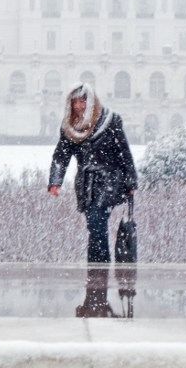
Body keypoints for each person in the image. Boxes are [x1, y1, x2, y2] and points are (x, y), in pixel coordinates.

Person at [48, 81, 137, 264]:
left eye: (83, 102)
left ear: (92, 102)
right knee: (94, 225)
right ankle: (98, 268)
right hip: (86, 184)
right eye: (75, 102)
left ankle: (98, 268)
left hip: (110, 180)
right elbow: (61, 156)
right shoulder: (70, 127)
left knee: (97, 220)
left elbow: (124, 152)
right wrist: (55, 181)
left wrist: (130, 182)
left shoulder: (111, 120)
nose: (79, 106)